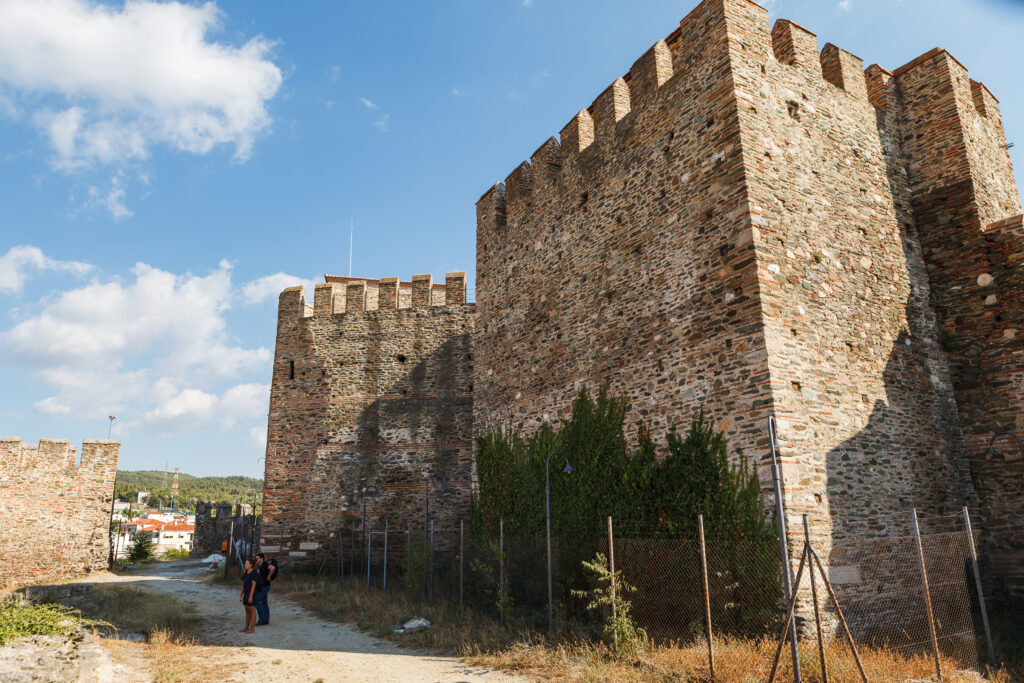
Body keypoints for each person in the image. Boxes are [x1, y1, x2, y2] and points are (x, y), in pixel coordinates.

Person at [253, 552, 276, 626]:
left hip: (265, 586)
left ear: (261, 558)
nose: (256, 559)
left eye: (257, 558)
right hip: (261, 586)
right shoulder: (259, 566)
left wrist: (269, 576)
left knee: (256, 601)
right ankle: (266, 620)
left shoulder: (264, 564)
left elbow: (272, 568)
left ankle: (262, 619)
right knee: (264, 602)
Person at [239, 559, 258, 633]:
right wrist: (241, 594)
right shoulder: (246, 573)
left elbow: (253, 586)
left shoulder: (254, 573)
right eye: (245, 563)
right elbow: (243, 584)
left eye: (247, 563)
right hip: (246, 594)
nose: (245, 565)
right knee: (247, 610)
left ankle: (252, 629)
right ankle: (246, 627)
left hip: (252, 594)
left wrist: (251, 596)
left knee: (252, 610)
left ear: (251, 565)